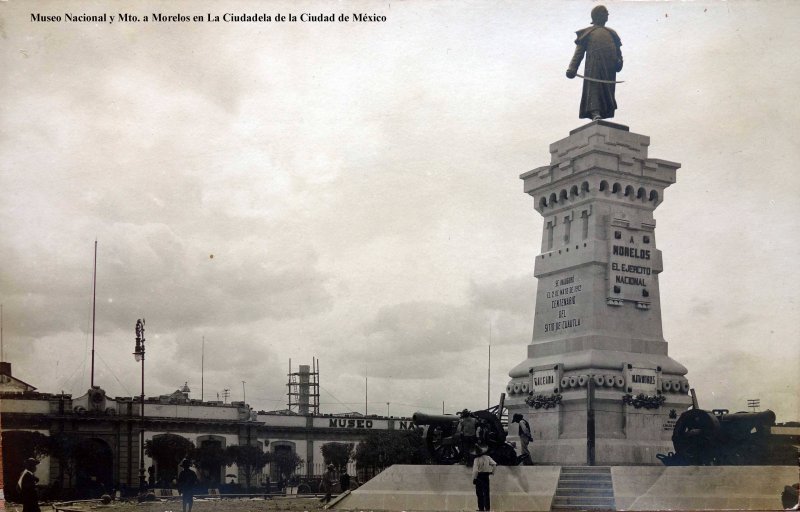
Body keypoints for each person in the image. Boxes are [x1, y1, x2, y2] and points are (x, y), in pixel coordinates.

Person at [566, 5, 623, 120]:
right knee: (594, 89)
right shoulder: (588, 33)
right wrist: (572, 68)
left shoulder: (612, 33)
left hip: (609, 69)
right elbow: (579, 52)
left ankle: (603, 112)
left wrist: (619, 61)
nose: (607, 15)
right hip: (594, 67)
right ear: (597, 15)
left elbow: (618, 51)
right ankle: (595, 112)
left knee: (606, 90)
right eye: (605, 12)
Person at [471, 445, 497, 512]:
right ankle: (487, 509)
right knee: (486, 493)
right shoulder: (487, 457)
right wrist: (492, 472)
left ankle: (481, 509)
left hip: (479, 476)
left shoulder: (476, 459)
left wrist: (474, 478)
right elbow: (494, 464)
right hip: (486, 476)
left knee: (479, 493)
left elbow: (475, 470)